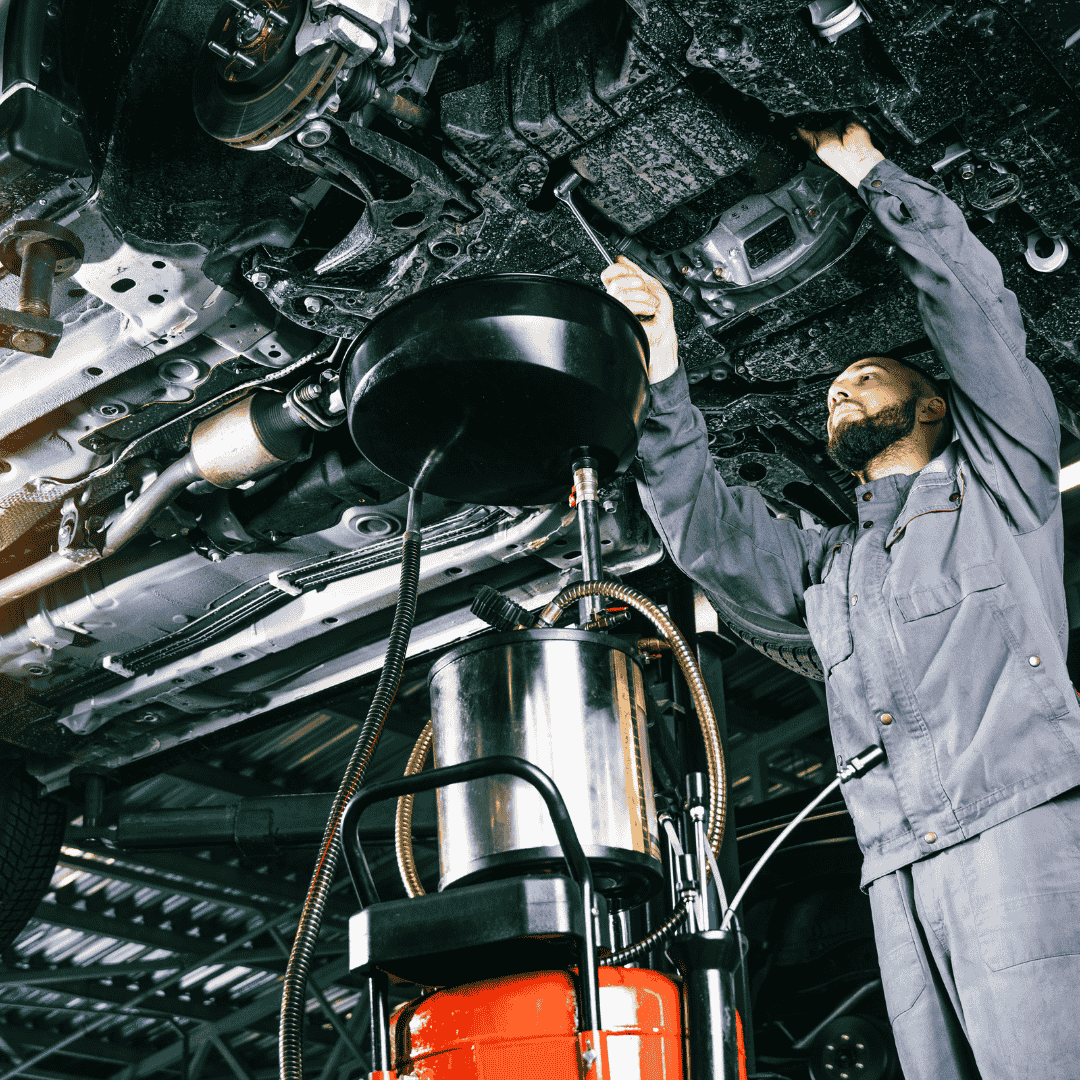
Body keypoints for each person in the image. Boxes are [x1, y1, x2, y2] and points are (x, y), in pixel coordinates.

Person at [602, 121, 1080, 1079]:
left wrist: (872, 173)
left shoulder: (1001, 483)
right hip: (896, 864)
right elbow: (700, 523)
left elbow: (974, 318)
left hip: (1022, 820)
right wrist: (661, 362)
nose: (839, 393)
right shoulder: (832, 567)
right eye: (831, 395)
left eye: (865, 378)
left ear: (933, 405)